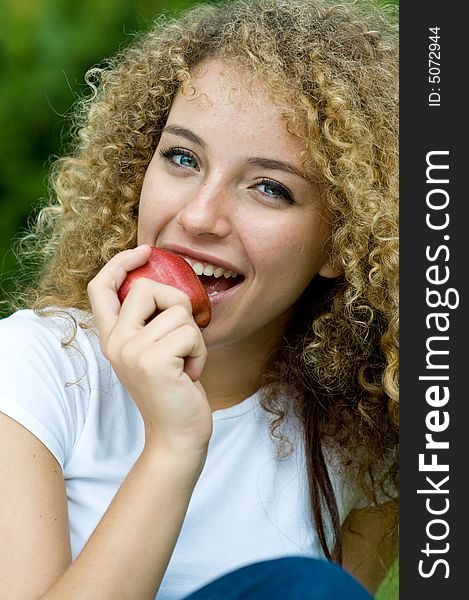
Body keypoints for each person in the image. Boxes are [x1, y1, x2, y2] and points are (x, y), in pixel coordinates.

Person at [0, 0, 399, 598]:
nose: (199, 215)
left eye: (270, 188)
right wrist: (173, 445)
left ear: (341, 243)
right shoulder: (36, 369)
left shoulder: (361, 445)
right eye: (183, 158)